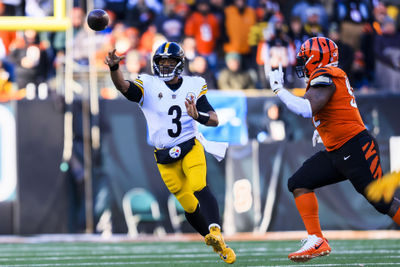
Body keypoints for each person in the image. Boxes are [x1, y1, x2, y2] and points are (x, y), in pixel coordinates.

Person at [268, 36, 400, 262]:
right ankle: (316, 239)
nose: (301, 62)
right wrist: (322, 128)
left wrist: (278, 90)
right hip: (338, 149)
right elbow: (334, 109)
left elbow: (307, 108)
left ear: (316, 57)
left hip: (355, 147)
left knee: (382, 202)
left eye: (304, 57)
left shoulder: (326, 74)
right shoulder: (327, 76)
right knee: (299, 182)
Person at [105, 41, 236, 264]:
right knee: (188, 204)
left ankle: (215, 230)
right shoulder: (148, 84)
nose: (165, 66)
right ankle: (218, 245)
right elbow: (123, 87)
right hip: (165, 155)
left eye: (170, 61)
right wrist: (114, 69)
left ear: (180, 64)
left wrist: (197, 116)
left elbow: (214, 119)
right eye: (162, 61)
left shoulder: (194, 84)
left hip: (189, 144)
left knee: (198, 185)